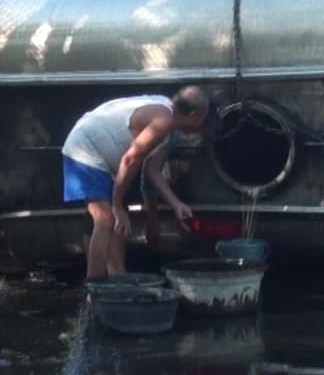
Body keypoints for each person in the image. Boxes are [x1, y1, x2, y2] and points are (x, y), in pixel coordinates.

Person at [62, 86, 213, 279]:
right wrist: (117, 204)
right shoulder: (163, 120)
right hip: (85, 149)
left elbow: (152, 170)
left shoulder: (169, 121)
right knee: (105, 218)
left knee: (111, 222)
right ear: (193, 115)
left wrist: (176, 204)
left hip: (104, 159)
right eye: (204, 118)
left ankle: (114, 280)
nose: (203, 123)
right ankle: (95, 290)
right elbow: (130, 159)